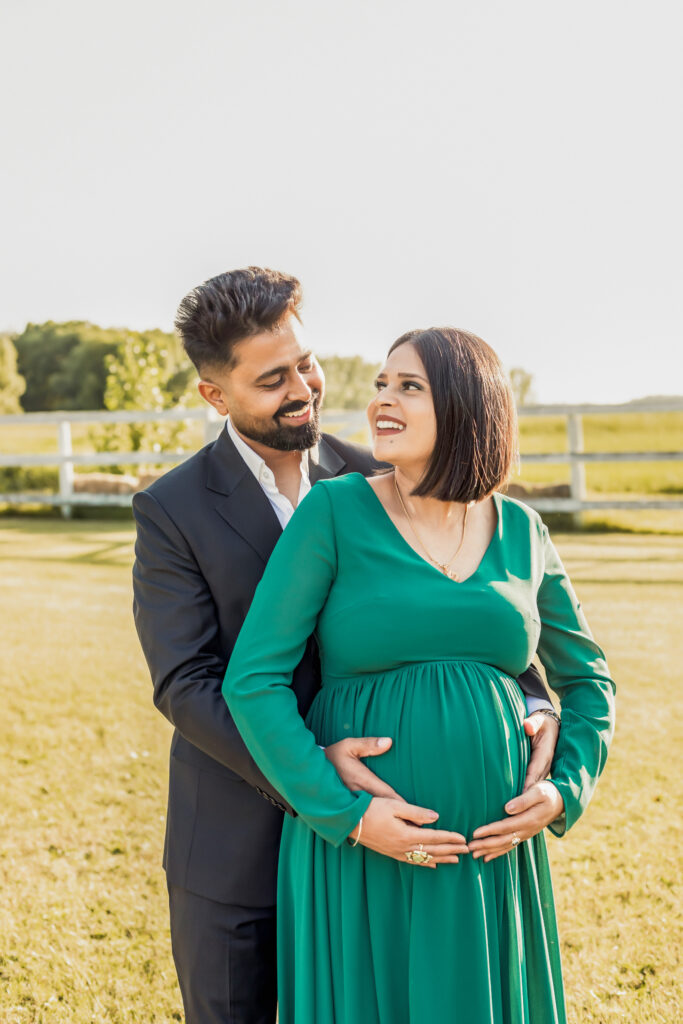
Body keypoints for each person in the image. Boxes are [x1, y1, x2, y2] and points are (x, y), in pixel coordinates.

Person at [132, 270, 559, 1024]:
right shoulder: (173, 508)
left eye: (306, 363)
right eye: (273, 379)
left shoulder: (383, 476)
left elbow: (478, 619)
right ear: (215, 395)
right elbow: (187, 681)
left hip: (389, 832)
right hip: (235, 834)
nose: (304, 387)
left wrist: (527, 702)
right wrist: (316, 772)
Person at [223, 326, 616, 1024]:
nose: (382, 400)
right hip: (364, 848)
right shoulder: (334, 512)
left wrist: (562, 791)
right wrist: (345, 815)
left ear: (468, 406)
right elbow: (253, 680)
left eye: (408, 386)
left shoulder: (522, 530)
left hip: (492, 861)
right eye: (379, 384)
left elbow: (586, 681)